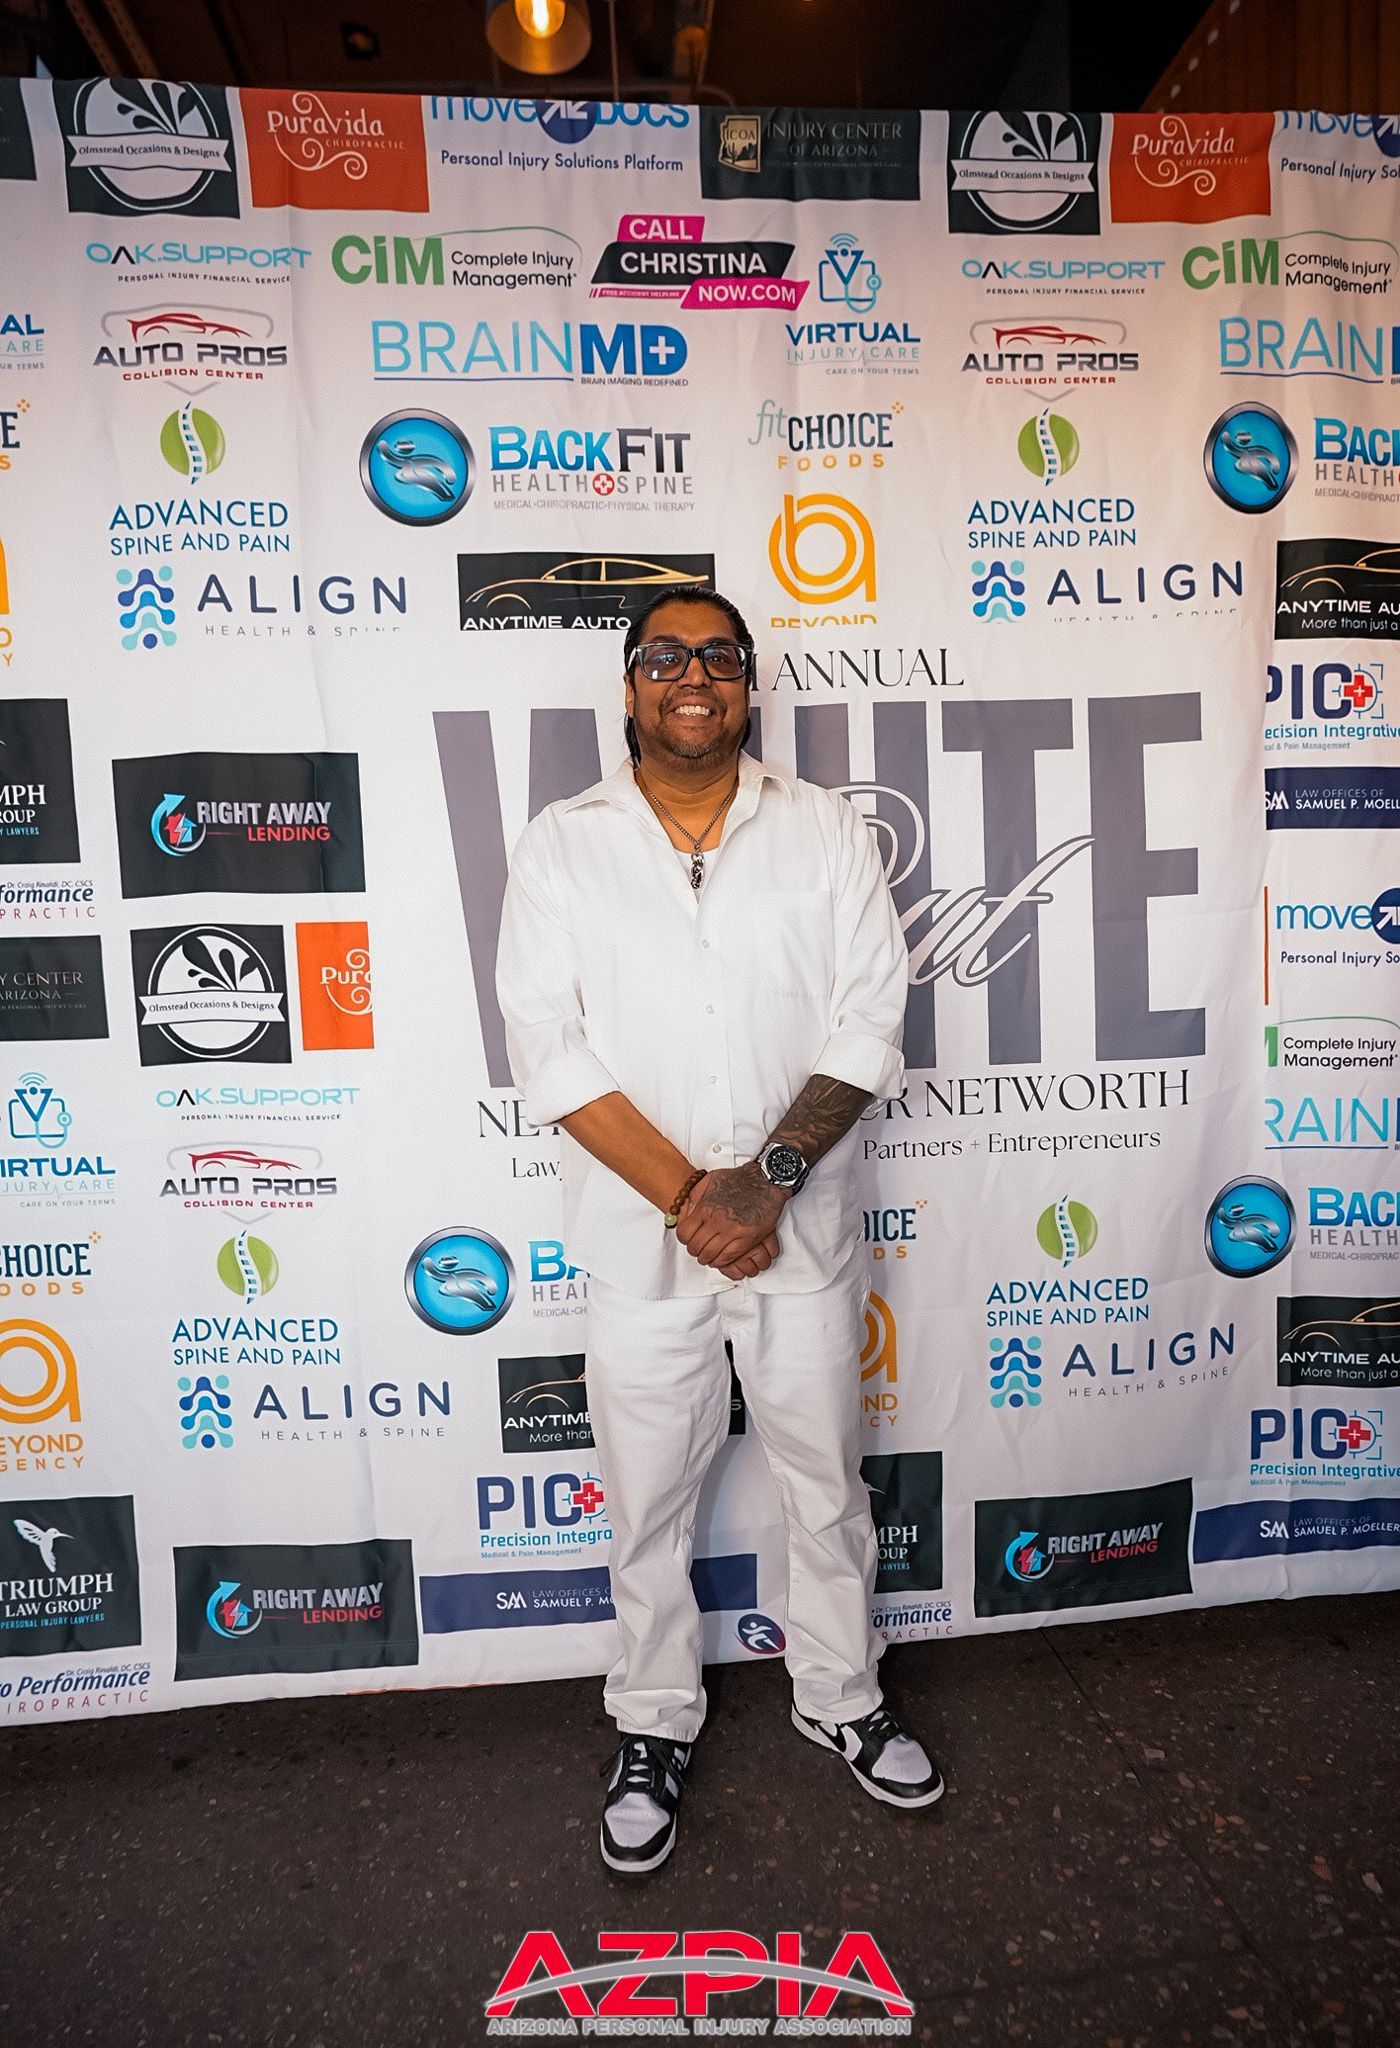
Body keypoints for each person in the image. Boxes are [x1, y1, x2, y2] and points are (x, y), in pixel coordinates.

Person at [496, 586, 943, 1875]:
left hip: (798, 1235)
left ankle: (841, 1693)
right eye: (666, 656)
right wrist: (699, 1200)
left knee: (825, 1481)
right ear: (631, 684)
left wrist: (770, 1181)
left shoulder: (824, 829)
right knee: (646, 1503)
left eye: (720, 657)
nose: (693, 676)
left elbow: (871, 1019)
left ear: (748, 682)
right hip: (640, 1250)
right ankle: (652, 1718)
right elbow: (550, 1048)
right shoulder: (564, 844)